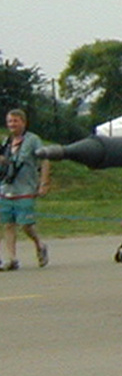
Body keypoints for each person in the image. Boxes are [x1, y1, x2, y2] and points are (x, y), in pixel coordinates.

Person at [0, 108, 50, 270]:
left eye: (15, 121)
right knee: (8, 224)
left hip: (26, 188)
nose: (12, 124)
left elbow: (45, 160)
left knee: (25, 224)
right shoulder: (6, 142)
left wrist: (43, 182)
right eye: (9, 121)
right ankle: (12, 258)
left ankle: (39, 244)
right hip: (7, 188)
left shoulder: (33, 140)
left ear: (23, 122)